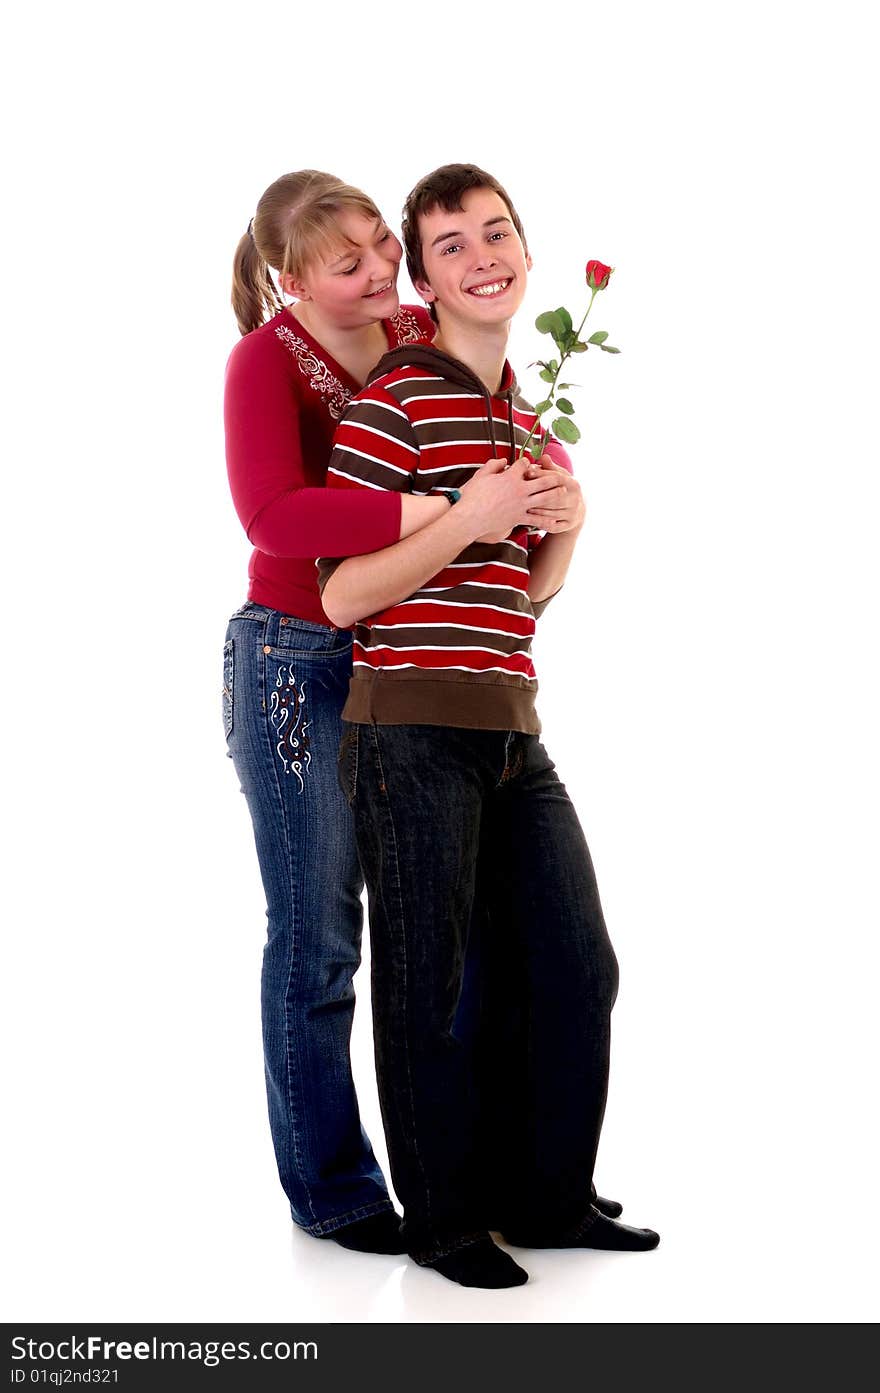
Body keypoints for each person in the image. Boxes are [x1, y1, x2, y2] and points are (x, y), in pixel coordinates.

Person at [318, 164, 659, 1287]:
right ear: (425, 278)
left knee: (573, 965)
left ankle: (548, 1195)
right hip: (407, 731)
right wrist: (468, 513)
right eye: (453, 243)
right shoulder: (394, 400)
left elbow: (513, 601)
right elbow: (341, 592)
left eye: (496, 232)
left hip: (512, 729)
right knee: (430, 985)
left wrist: (565, 521)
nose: (482, 256)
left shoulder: (521, 411)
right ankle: (447, 1221)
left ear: (525, 250)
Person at [223, 170, 567, 1253]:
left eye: (383, 246)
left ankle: (479, 1181)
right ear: (291, 281)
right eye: (349, 262)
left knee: (439, 939)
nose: (381, 272)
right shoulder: (263, 362)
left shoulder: (417, 325)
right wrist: (430, 509)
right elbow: (276, 516)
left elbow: (511, 432)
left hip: (411, 656)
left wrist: (557, 487)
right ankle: (331, 1188)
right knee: (320, 938)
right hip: (300, 659)